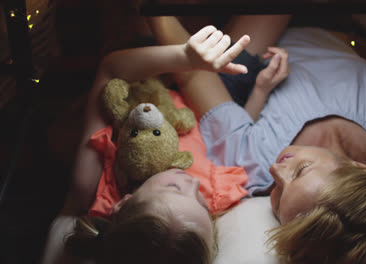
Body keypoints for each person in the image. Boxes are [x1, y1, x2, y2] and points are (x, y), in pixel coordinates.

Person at [154, 3, 366, 264]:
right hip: (344, 22)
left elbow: (192, 74)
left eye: (276, 195)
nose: (276, 169)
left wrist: (153, 12)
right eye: (300, 171)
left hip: (257, 45)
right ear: (361, 168)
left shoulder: (256, 164)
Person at [61, 15, 291, 264]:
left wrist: (184, 58)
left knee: (148, 16)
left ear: (124, 204)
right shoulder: (214, 199)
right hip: (215, 93)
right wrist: (261, 90)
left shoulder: (93, 184)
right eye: (202, 206)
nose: (192, 184)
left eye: (174, 188)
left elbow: (110, 70)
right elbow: (233, 138)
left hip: (150, 72)